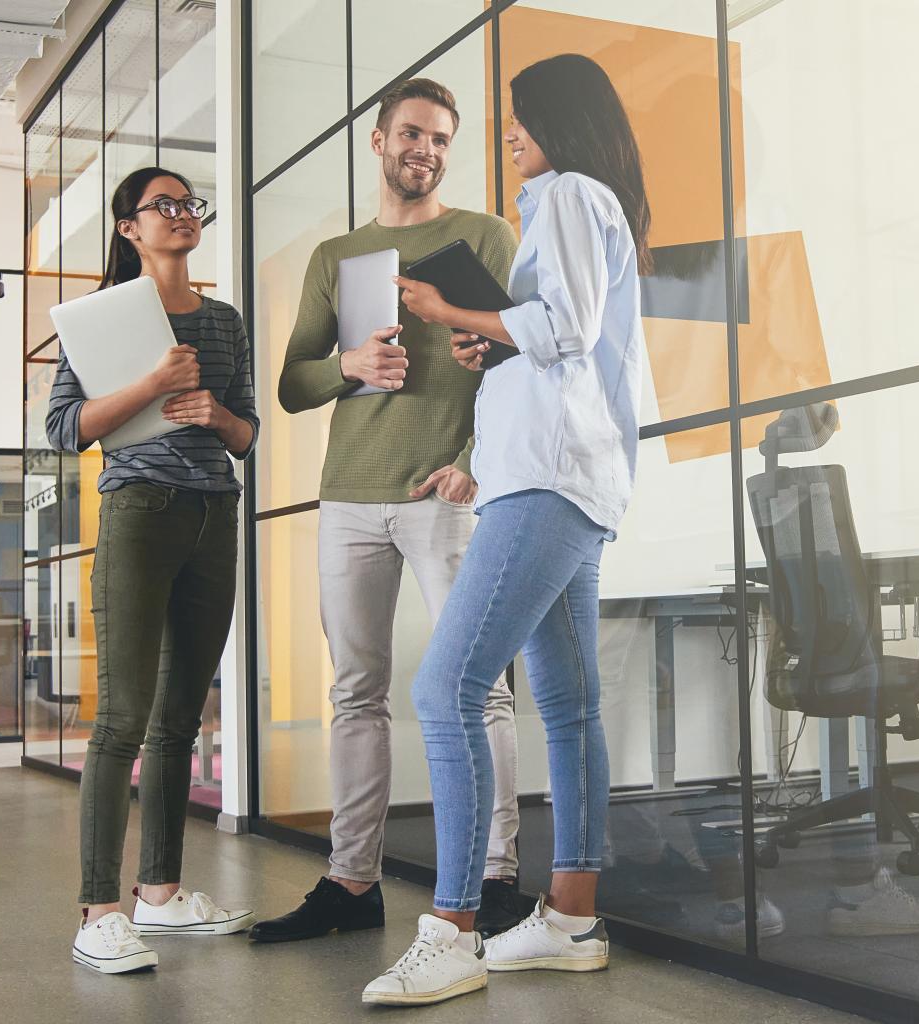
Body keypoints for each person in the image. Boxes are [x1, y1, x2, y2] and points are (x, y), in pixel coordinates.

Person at [363, 53, 652, 1006]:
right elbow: (562, 337)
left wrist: (448, 307)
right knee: (567, 708)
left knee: (446, 688)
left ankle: (450, 928)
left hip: (549, 481)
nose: (510, 134)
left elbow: (564, 324)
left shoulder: (565, 192)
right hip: (576, 475)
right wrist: (495, 334)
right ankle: (571, 916)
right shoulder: (596, 203)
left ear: (557, 120)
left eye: (518, 117)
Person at [250, 79, 523, 946]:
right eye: (413, 134)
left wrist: (473, 465)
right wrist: (351, 367)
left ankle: (497, 880)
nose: (428, 151)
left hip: (443, 494)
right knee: (355, 694)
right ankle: (351, 882)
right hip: (349, 498)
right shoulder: (339, 255)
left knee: (479, 692)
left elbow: (523, 359)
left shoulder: (484, 236)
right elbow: (292, 382)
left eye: (442, 139)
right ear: (378, 141)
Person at [46, 167, 260, 974]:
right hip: (139, 512)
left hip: (214, 516)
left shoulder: (226, 322)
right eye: (163, 206)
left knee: (180, 721)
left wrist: (218, 413)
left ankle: (161, 897)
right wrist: (154, 383)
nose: (181, 215)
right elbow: (65, 428)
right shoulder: (98, 321)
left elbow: (247, 434)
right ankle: (99, 909)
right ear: (128, 227)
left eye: (188, 204)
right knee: (123, 719)